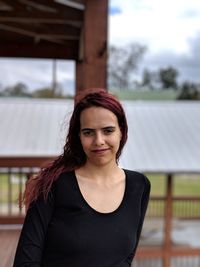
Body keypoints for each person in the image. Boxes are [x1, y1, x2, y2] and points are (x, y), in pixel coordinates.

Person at [13, 88, 150, 267]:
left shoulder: (138, 186)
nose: (99, 140)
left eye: (108, 131)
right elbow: (25, 262)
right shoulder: (52, 185)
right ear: (79, 136)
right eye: (88, 132)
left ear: (121, 132)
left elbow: (125, 259)